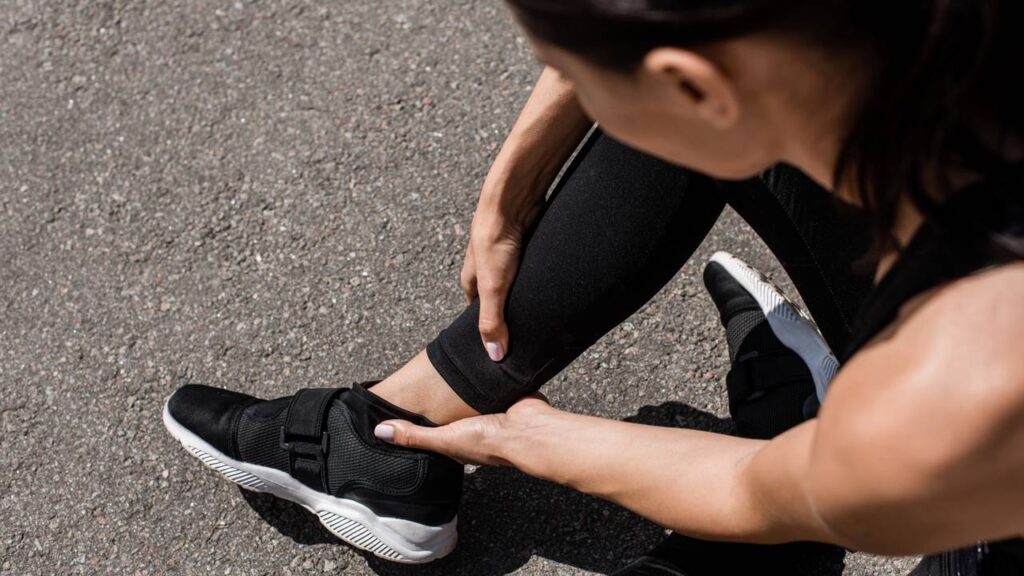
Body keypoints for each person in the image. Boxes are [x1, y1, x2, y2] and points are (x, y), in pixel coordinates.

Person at [161, 0, 1024, 574]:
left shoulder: (956, 394)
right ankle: (388, 434)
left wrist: (534, 439)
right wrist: (510, 188)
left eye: (579, 79)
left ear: (693, 83)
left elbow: (754, 490)